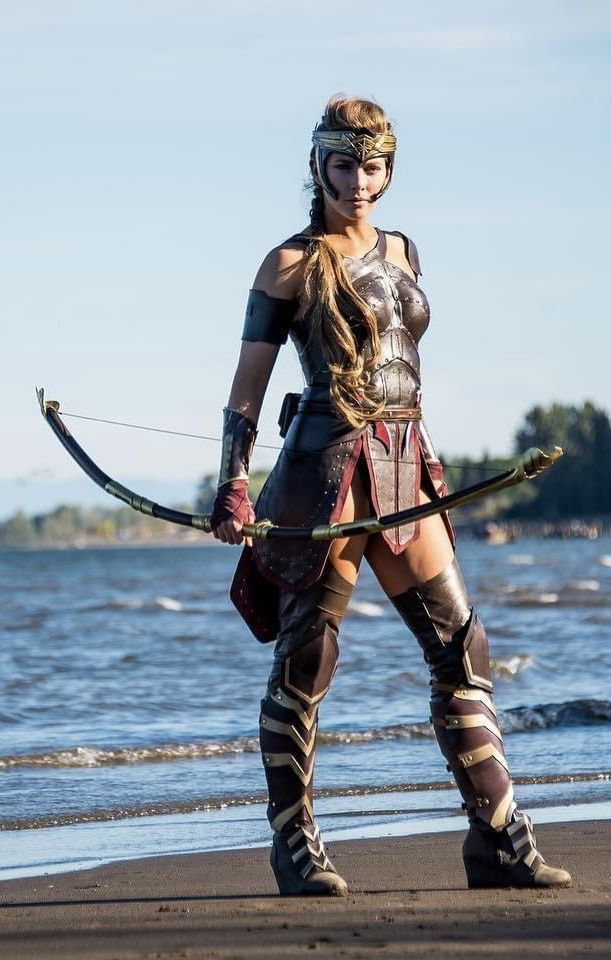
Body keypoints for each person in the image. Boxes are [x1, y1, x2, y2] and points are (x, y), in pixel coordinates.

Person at [210, 95, 571, 897]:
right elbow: (245, 390)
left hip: (406, 458)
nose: (360, 181)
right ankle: (294, 846)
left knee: (460, 651)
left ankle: (499, 841)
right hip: (325, 467)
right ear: (318, 165)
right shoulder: (289, 264)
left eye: (374, 166)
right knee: (307, 655)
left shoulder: (405, 249)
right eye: (345, 164)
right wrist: (233, 482)